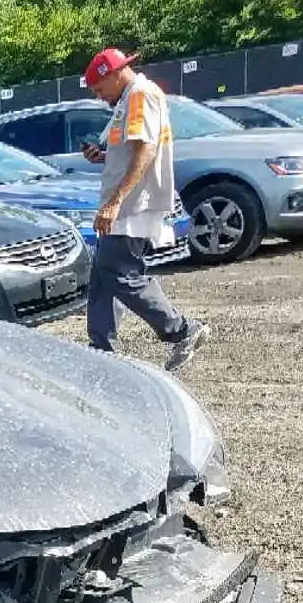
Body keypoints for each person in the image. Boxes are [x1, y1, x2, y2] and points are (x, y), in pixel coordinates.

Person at [80, 47, 209, 371]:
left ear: (114, 74)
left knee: (119, 273)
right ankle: (101, 349)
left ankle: (181, 329)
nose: (98, 96)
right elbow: (129, 150)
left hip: (132, 205)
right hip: (127, 204)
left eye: (99, 88)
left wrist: (115, 202)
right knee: (102, 276)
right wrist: (103, 155)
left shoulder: (139, 94)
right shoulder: (127, 98)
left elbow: (145, 150)